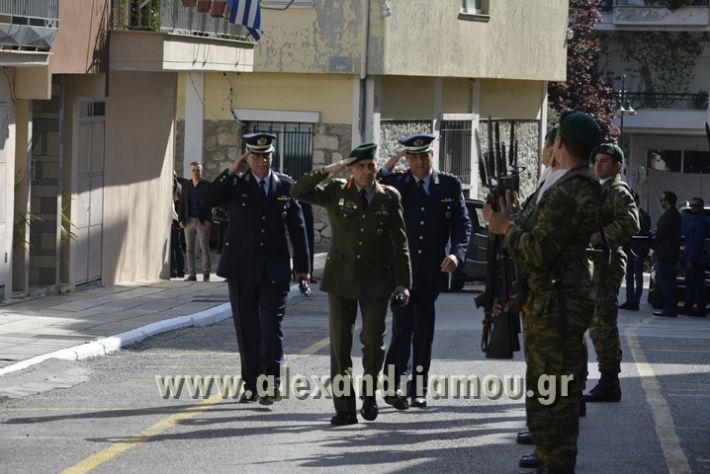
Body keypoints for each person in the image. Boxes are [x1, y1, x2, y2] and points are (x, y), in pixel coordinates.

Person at [484, 110, 602, 474]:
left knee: (557, 395)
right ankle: (549, 456)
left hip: (559, 307)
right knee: (543, 390)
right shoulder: (562, 184)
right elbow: (536, 240)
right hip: (546, 300)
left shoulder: (574, 190)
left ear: (561, 143)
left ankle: (557, 462)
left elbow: (539, 249)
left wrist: (505, 228)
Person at [291, 142, 412, 426]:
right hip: (341, 279)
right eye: (361, 166)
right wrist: (329, 170)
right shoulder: (336, 192)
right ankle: (344, 409)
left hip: (377, 280)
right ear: (351, 169)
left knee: (373, 342)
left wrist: (404, 283)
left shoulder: (389, 197)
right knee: (340, 346)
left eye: (371, 166)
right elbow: (298, 192)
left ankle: (369, 394)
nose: (368, 171)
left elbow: (401, 243)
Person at [202, 133, 310, 405]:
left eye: (267, 155)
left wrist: (303, 268)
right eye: (256, 155)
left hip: (274, 270)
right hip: (241, 269)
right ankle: (251, 384)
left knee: (271, 326)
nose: (262, 160)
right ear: (247, 157)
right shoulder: (237, 184)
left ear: (273, 156)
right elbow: (209, 198)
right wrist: (230, 171)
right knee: (247, 328)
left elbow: (298, 229)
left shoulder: (285, 186)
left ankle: (271, 383)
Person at [377, 133, 471, 410]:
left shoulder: (449, 186)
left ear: (432, 156)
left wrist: (456, 254)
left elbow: (462, 225)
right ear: (407, 159)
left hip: (432, 269)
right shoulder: (396, 183)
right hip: (402, 272)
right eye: (413, 156)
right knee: (402, 325)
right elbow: (374, 183)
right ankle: (394, 382)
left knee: (424, 331)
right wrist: (390, 163)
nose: (418, 162)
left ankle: (418, 388)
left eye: (423, 155)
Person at [583, 143, 639, 404]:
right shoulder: (598, 189)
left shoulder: (618, 190)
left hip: (607, 263)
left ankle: (610, 381)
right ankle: (606, 380)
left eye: (604, 161)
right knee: (595, 322)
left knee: (603, 323)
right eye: (596, 160)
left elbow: (631, 222)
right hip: (594, 262)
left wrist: (601, 236)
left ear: (617, 166)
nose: (598, 165)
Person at [178, 161, 213, 282]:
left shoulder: (207, 185)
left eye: (198, 170)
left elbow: (210, 203)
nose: (195, 172)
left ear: (201, 171)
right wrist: (181, 219)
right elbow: (182, 202)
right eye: (193, 170)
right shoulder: (186, 185)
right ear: (190, 171)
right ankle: (192, 274)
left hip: (202, 220)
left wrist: (209, 220)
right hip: (189, 220)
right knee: (189, 248)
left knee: (204, 246)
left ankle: (206, 273)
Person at [620, 191, 651, 311]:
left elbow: (645, 235)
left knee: (637, 276)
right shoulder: (629, 214)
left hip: (637, 251)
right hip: (629, 250)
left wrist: (641, 251)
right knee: (629, 276)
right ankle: (629, 300)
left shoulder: (642, 215)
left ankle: (635, 301)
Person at [653, 191, 681, 318]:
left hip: (666, 254)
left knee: (666, 282)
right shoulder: (673, 214)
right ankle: (670, 308)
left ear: (667, 201)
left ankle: (669, 308)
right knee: (669, 282)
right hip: (669, 253)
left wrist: (652, 242)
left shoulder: (670, 215)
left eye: (662, 200)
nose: (661, 202)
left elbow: (661, 233)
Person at [681, 197, 708, 317]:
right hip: (691, 256)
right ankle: (689, 306)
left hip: (697, 259)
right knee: (690, 284)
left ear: (701, 207)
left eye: (695, 206)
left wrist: (691, 259)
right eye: (692, 205)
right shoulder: (694, 219)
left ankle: (700, 308)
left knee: (697, 285)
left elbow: (698, 241)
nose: (693, 207)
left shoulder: (702, 221)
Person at [170, 171, 186, 278]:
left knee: (172, 247)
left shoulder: (174, 188)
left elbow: (173, 209)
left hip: (174, 220)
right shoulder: (180, 187)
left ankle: (173, 271)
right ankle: (181, 271)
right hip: (178, 221)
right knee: (178, 246)